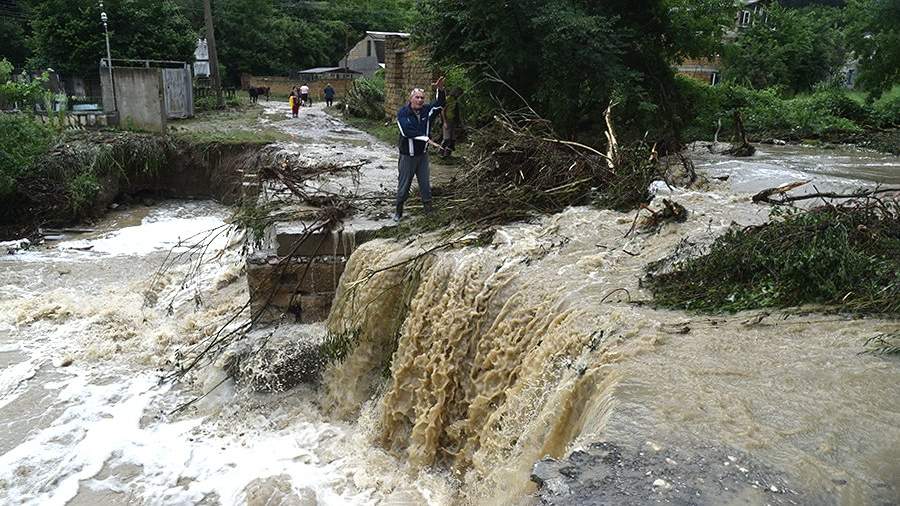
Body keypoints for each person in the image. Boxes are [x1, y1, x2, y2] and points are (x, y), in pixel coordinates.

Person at [394, 77, 445, 221]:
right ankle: (398, 211)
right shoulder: (403, 113)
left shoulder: (427, 111)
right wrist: (426, 138)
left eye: (422, 98)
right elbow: (406, 131)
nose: (420, 100)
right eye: (417, 97)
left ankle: (428, 211)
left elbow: (440, 104)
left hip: (422, 156)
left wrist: (440, 90)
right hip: (407, 156)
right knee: (404, 185)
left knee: (425, 184)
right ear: (411, 99)